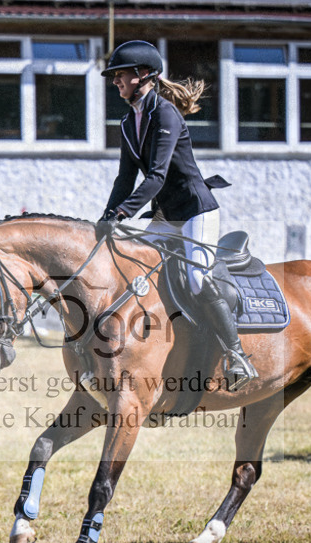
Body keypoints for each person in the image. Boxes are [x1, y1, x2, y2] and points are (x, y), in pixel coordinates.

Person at [96, 40, 257, 390]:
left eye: (119, 75)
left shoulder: (166, 113)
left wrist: (124, 212)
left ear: (143, 75)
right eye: (114, 77)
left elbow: (156, 175)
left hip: (196, 210)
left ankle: (236, 354)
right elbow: (126, 177)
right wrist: (107, 215)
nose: (115, 82)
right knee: (132, 260)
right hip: (167, 215)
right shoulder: (128, 122)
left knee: (198, 280)